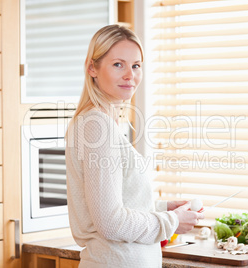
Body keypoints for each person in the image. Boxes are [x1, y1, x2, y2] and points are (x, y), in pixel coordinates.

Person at [65, 24, 205, 268]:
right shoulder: (97, 125)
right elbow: (110, 222)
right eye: (118, 64)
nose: (130, 75)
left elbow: (113, 204)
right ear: (92, 68)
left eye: (136, 65)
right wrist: (171, 221)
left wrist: (159, 208)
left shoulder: (100, 122)